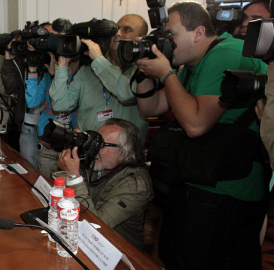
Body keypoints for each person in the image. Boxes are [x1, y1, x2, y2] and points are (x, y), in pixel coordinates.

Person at [135, 2, 267, 269]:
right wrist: (144, 69)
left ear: (198, 33)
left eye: (171, 35)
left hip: (226, 190)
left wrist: (167, 74)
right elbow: (151, 107)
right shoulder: (195, 62)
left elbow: (196, 125)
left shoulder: (225, 54)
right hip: (198, 178)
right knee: (174, 257)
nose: (166, 43)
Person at [57, 118, 153, 250]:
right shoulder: (101, 165)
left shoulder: (135, 186)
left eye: (101, 145)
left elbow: (95, 227)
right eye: (95, 141)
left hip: (117, 253)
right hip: (85, 241)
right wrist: (73, 150)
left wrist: (74, 178)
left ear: (124, 154)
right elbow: (53, 179)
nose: (94, 149)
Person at [49, 15, 149, 139]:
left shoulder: (145, 70)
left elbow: (127, 94)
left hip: (124, 154)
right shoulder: (89, 69)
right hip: (88, 151)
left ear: (141, 38)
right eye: (116, 29)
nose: (118, 33)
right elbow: (60, 105)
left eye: (127, 30)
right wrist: (63, 64)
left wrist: (98, 60)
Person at [1, 18, 72, 168]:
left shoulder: (68, 69)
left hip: (58, 131)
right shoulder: (28, 60)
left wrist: (54, 71)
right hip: (31, 127)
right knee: (30, 170)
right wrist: (30, 68)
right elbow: (30, 100)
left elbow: (61, 102)